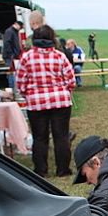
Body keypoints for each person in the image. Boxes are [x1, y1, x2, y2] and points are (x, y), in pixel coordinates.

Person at [16, 25, 76, 177]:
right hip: (60, 101)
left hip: (36, 103)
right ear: (52, 38)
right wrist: (64, 90)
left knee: (40, 137)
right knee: (61, 136)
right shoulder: (59, 56)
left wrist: (27, 94)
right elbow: (71, 79)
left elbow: (20, 82)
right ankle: (63, 170)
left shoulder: (27, 57)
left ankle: (41, 170)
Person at [2, 19, 23, 92]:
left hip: (13, 56)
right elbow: (7, 43)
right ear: (16, 24)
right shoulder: (10, 31)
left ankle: (14, 89)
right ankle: (12, 89)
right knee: (11, 72)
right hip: (10, 57)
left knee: (13, 72)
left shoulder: (13, 32)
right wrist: (11, 54)